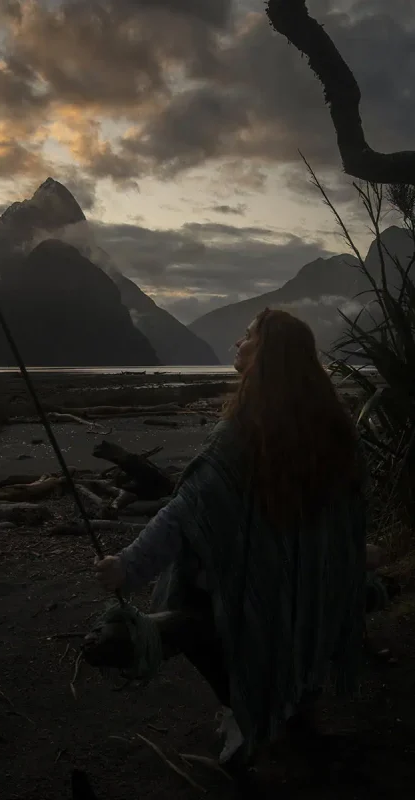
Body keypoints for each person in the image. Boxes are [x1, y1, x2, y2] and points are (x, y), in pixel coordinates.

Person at [94, 308, 367, 766]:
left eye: (246, 337)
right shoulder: (337, 429)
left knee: (192, 604)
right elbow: (351, 513)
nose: (237, 344)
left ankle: (241, 707)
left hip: (256, 591)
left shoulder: (240, 433)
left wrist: (127, 567)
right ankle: (293, 698)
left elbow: (185, 513)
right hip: (315, 587)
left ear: (265, 355)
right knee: (285, 602)